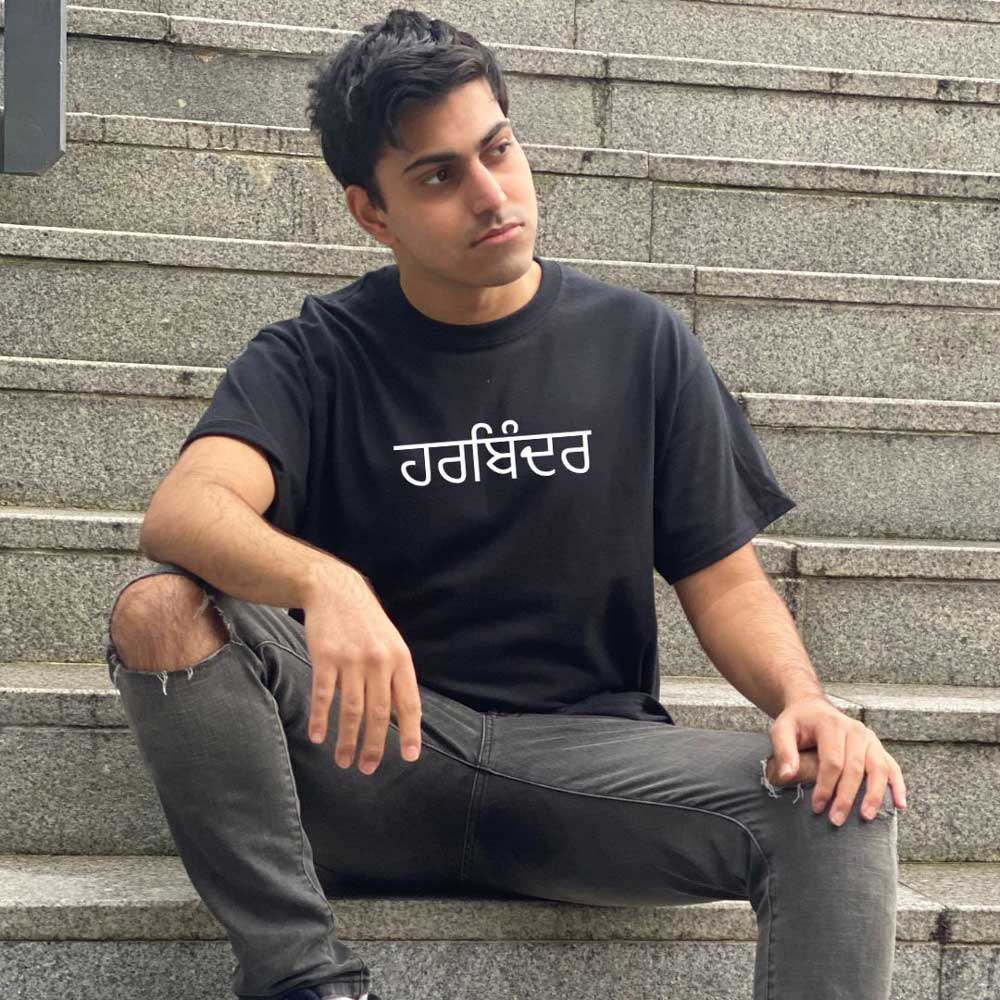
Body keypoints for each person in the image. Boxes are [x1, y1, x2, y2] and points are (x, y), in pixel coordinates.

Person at [101, 8, 908, 1000]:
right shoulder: (316, 355)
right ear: (371, 212)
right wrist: (324, 580)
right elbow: (185, 509)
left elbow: (725, 579)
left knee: (844, 801)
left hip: (582, 769)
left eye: (497, 150)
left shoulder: (639, 345)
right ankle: (304, 980)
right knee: (163, 609)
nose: (490, 194)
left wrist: (802, 703)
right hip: (373, 760)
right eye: (439, 176)